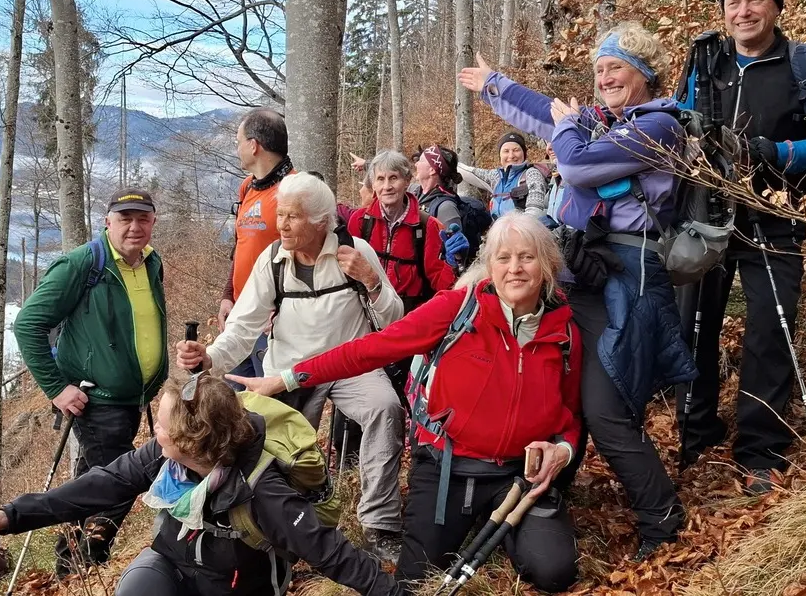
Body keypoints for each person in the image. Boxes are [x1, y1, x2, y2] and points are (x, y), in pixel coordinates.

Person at [230, 212, 583, 594]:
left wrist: (563, 450)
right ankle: (476, 521)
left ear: (547, 265)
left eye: (527, 257)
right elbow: (372, 349)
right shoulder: (459, 309)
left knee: (555, 571)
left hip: (518, 474)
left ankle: (495, 523)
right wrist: (287, 377)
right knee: (414, 582)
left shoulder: (563, 331)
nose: (515, 268)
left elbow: (570, 415)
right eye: (504, 258)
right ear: (490, 267)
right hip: (449, 467)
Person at [458, 23, 698, 559]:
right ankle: (548, 498)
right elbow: (548, 114)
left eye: (617, 68)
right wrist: (496, 85)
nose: (605, 78)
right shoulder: (606, 123)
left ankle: (662, 519)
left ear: (646, 73)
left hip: (627, 278)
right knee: (562, 393)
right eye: (599, 70)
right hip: (584, 273)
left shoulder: (658, 125)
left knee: (606, 409)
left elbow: (575, 162)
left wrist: (568, 127)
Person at [0, 373, 404, 596]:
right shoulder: (166, 456)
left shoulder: (264, 493)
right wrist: (9, 516)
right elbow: (104, 484)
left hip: (238, 587)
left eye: (163, 426)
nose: (155, 433)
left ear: (193, 441)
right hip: (170, 563)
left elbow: (331, 552)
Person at [676, 0, 806, 493]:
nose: (743, 11)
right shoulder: (705, 60)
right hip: (707, 216)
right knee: (694, 326)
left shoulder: (804, 65)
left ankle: (760, 450)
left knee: (769, 332)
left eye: (755, 0)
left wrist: (774, 151)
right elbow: (675, 125)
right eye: (733, 2)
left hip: (775, 217)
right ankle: (696, 433)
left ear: (776, 7)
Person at [175, 172, 407, 561]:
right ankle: (282, 528)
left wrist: (371, 281)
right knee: (269, 444)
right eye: (280, 214)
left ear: (320, 221)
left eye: (292, 216)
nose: (281, 224)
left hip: (352, 365)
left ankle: (379, 526)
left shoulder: (356, 252)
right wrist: (209, 357)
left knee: (386, 409)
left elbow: (394, 321)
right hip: (288, 372)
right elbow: (243, 327)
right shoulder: (272, 260)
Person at [12, 187, 168, 576]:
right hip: (96, 398)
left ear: (153, 222)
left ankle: (69, 567)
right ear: (107, 222)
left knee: (91, 481)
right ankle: (88, 562)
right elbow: (27, 324)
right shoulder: (82, 264)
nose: (134, 227)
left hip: (133, 397)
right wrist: (56, 388)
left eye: (143, 218)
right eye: (125, 219)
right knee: (120, 482)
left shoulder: (151, 262)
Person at [353, 150, 457, 398]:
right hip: (365, 322)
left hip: (408, 326)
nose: (387, 186)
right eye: (380, 179)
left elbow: (440, 283)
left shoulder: (427, 226)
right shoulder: (360, 222)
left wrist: (453, 264)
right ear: (373, 184)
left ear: (407, 180)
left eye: (394, 178)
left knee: (403, 397)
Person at [219, 108, 295, 391]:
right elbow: (241, 245)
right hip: (240, 318)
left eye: (238, 142)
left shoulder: (295, 190)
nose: (237, 148)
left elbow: (308, 259)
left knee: (266, 407)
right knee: (232, 403)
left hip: (273, 326)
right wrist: (228, 295)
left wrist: (285, 310)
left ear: (254, 145)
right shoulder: (247, 187)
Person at [456, 130, 549, 219]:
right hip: (499, 229)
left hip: (524, 229)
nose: (511, 155)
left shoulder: (532, 174)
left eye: (516, 150)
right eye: (506, 151)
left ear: (524, 153)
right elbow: (468, 172)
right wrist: (449, 160)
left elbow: (535, 211)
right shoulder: (496, 177)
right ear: (500, 155)